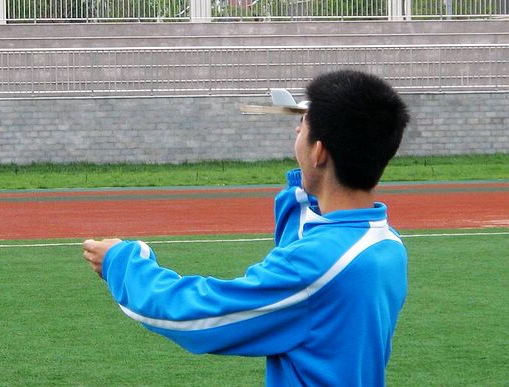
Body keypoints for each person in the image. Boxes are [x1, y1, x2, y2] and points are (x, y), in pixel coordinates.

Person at [83, 69, 410, 386]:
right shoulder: (386, 244)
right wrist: (306, 180)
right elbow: (306, 246)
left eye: (301, 128)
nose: (296, 132)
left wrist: (121, 262)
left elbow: (195, 314)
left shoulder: (314, 266)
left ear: (319, 152)